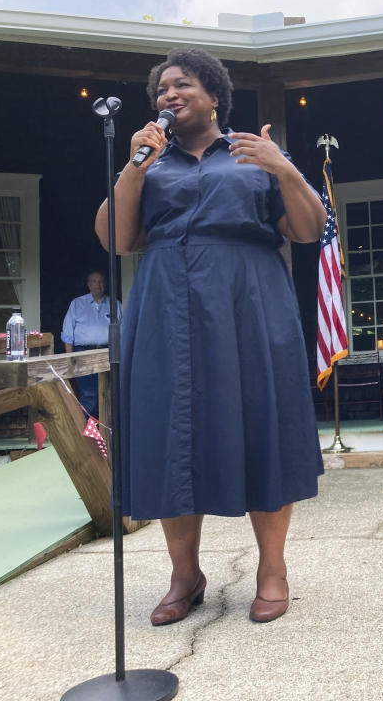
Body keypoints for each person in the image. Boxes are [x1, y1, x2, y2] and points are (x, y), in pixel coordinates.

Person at [94, 48, 327, 626]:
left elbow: (307, 229)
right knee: (174, 432)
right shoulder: (151, 164)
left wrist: (285, 168)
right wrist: (133, 167)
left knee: (259, 422)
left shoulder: (253, 154)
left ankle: (272, 570)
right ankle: (185, 575)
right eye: (162, 90)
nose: (169, 96)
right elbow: (117, 239)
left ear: (215, 95)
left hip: (248, 300)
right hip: (167, 305)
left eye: (183, 85)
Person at [61, 270, 118, 418]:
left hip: (108, 353)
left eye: (101, 281)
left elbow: (122, 333)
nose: (98, 285)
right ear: (88, 284)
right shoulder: (77, 304)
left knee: (110, 394)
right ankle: (81, 433)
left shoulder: (114, 304)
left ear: (105, 284)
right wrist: (70, 359)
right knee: (89, 396)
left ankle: (106, 434)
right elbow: (67, 333)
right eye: (94, 281)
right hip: (83, 354)